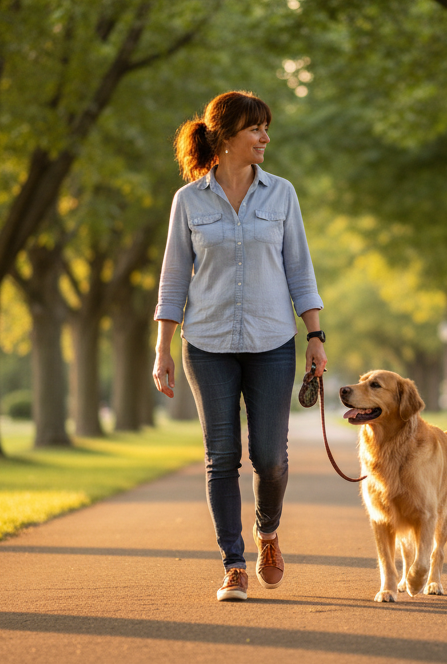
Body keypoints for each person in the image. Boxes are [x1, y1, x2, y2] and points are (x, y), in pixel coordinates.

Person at [152, 90, 327, 602]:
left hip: (273, 340)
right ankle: (233, 564)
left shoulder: (282, 194)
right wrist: (161, 348)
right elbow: (171, 280)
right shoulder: (188, 200)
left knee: (270, 458)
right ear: (226, 136)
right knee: (220, 457)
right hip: (205, 344)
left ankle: (267, 534)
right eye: (256, 130)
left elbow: (300, 269)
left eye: (265, 129)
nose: (265, 138)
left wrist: (315, 336)